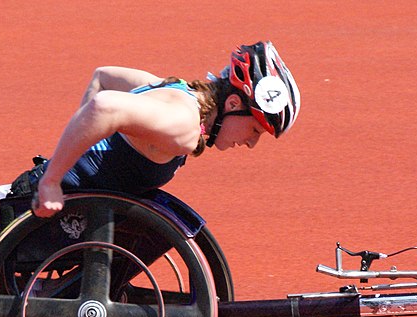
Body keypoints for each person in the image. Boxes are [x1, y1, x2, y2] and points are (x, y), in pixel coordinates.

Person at [25, 40, 300, 218]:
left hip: (71, 208)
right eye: (255, 130)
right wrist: (52, 181)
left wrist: (76, 153)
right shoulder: (183, 125)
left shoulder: (178, 90)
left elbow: (103, 77)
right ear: (232, 103)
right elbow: (103, 106)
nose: (251, 144)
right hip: (44, 210)